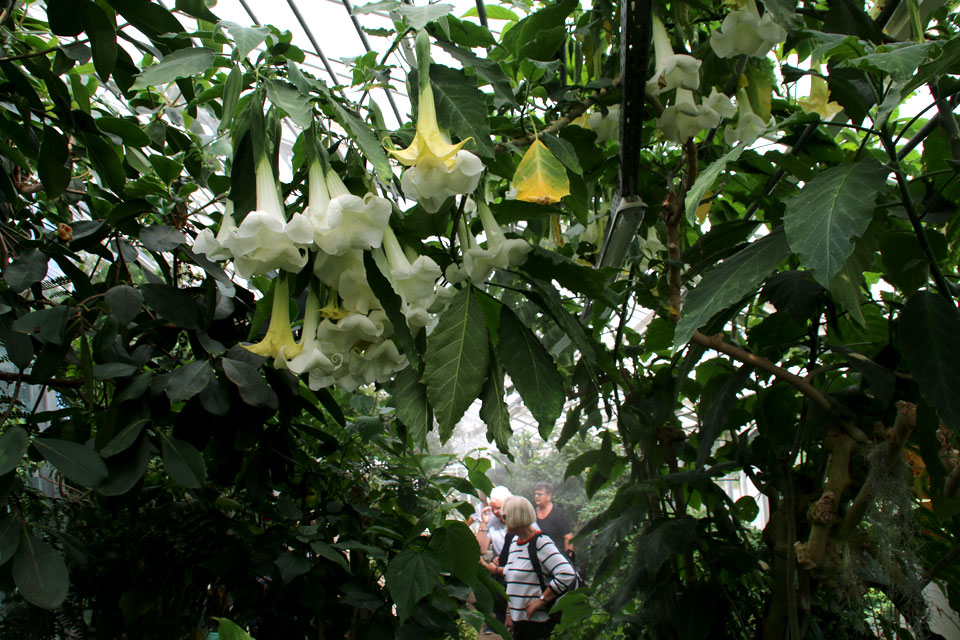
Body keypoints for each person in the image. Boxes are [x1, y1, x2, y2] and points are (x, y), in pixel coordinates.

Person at [498, 495, 577, 639]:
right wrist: (509, 614)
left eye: (505, 515)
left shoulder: (540, 542)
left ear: (515, 517)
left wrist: (541, 600)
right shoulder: (515, 542)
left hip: (536, 623)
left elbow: (566, 573)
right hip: (518, 623)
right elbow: (511, 582)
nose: (502, 519)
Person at [534, 482, 574, 560]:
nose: (536, 496)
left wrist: (569, 560)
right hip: (538, 559)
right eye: (535, 494)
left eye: (539, 494)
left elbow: (568, 537)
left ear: (549, 496)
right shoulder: (532, 513)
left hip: (557, 558)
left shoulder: (557, 514)